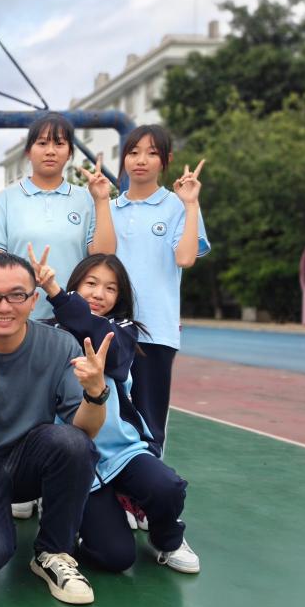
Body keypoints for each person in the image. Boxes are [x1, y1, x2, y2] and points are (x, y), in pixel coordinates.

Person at [0, 252, 111, 605]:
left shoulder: (61, 345)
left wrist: (95, 393)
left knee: (72, 443)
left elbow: (85, 433)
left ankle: (53, 552)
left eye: (16, 295)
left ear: (33, 299)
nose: (4, 307)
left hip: (29, 457)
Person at [31, 246, 199, 573]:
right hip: (77, 459)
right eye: (91, 284)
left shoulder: (121, 330)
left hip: (121, 451)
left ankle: (167, 539)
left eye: (111, 288)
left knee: (167, 487)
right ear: (76, 285)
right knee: (116, 557)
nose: (99, 294)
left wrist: (56, 294)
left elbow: (104, 342)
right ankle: (73, 516)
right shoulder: (47, 332)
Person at [0, 113, 113, 520]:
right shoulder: (7, 199)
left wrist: (102, 200)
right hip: (20, 319)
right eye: (42, 142)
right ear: (29, 151)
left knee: (71, 408)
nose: (50, 150)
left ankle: (66, 489)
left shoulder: (83, 199)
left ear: (70, 152)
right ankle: (23, 483)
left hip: (70, 320)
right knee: (22, 405)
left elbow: (103, 255)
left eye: (58, 143)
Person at [111, 124, 210, 451]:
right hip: (110, 328)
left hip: (155, 330)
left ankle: (149, 482)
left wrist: (191, 204)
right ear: (124, 158)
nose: (141, 160)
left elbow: (185, 258)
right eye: (133, 152)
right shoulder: (108, 208)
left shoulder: (178, 206)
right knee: (108, 417)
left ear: (166, 160)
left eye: (152, 153)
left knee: (149, 424)